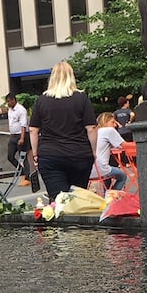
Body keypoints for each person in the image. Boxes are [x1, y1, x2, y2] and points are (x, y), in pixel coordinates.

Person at [30, 60, 97, 201]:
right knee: (77, 200)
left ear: (52, 77)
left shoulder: (42, 100)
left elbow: (33, 130)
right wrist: (94, 152)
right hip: (79, 154)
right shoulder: (81, 98)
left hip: (50, 155)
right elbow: (91, 128)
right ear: (71, 76)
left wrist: (35, 153)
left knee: (58, 201)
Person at [93, 112, 128, 192]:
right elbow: (124, 145)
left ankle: (107, 193)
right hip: (101, 169)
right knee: (123, 176)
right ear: (105, 122)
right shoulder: (109, 130)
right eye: (113, 122)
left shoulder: (95, 132)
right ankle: (110, 197)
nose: (115, 125)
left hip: (88, 171)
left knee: (108, 172)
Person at [4, 93, 29, 184]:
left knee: (23, 156)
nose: (8, 103)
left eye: (9, 101)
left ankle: (27, 177)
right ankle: (22, 171)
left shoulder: (21, 110)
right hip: (13, 136)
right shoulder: (10, 110)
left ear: (14, 100)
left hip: (21, 135)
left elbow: (23, 124)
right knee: (10, 156)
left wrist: (22, 138)